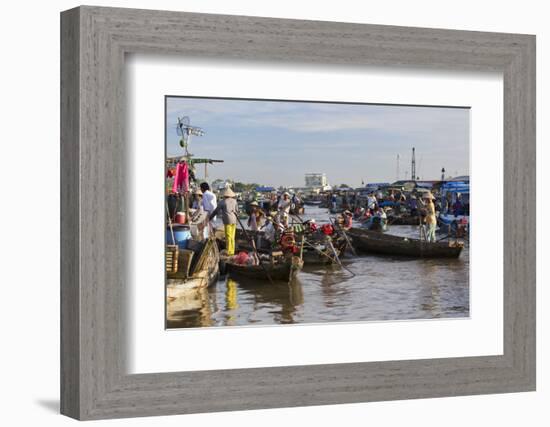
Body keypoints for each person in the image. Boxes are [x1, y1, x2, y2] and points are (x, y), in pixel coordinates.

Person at [210, 187, 239, 255]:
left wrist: (209, 218)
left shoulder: (222, 202)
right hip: (234, 220)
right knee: (232, 237)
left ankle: (229, 251)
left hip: (228, 221)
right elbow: (237, 211)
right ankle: (232, 251)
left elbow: (216, 211)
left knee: (228, 236)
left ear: (224, 195)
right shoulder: (235, 201)